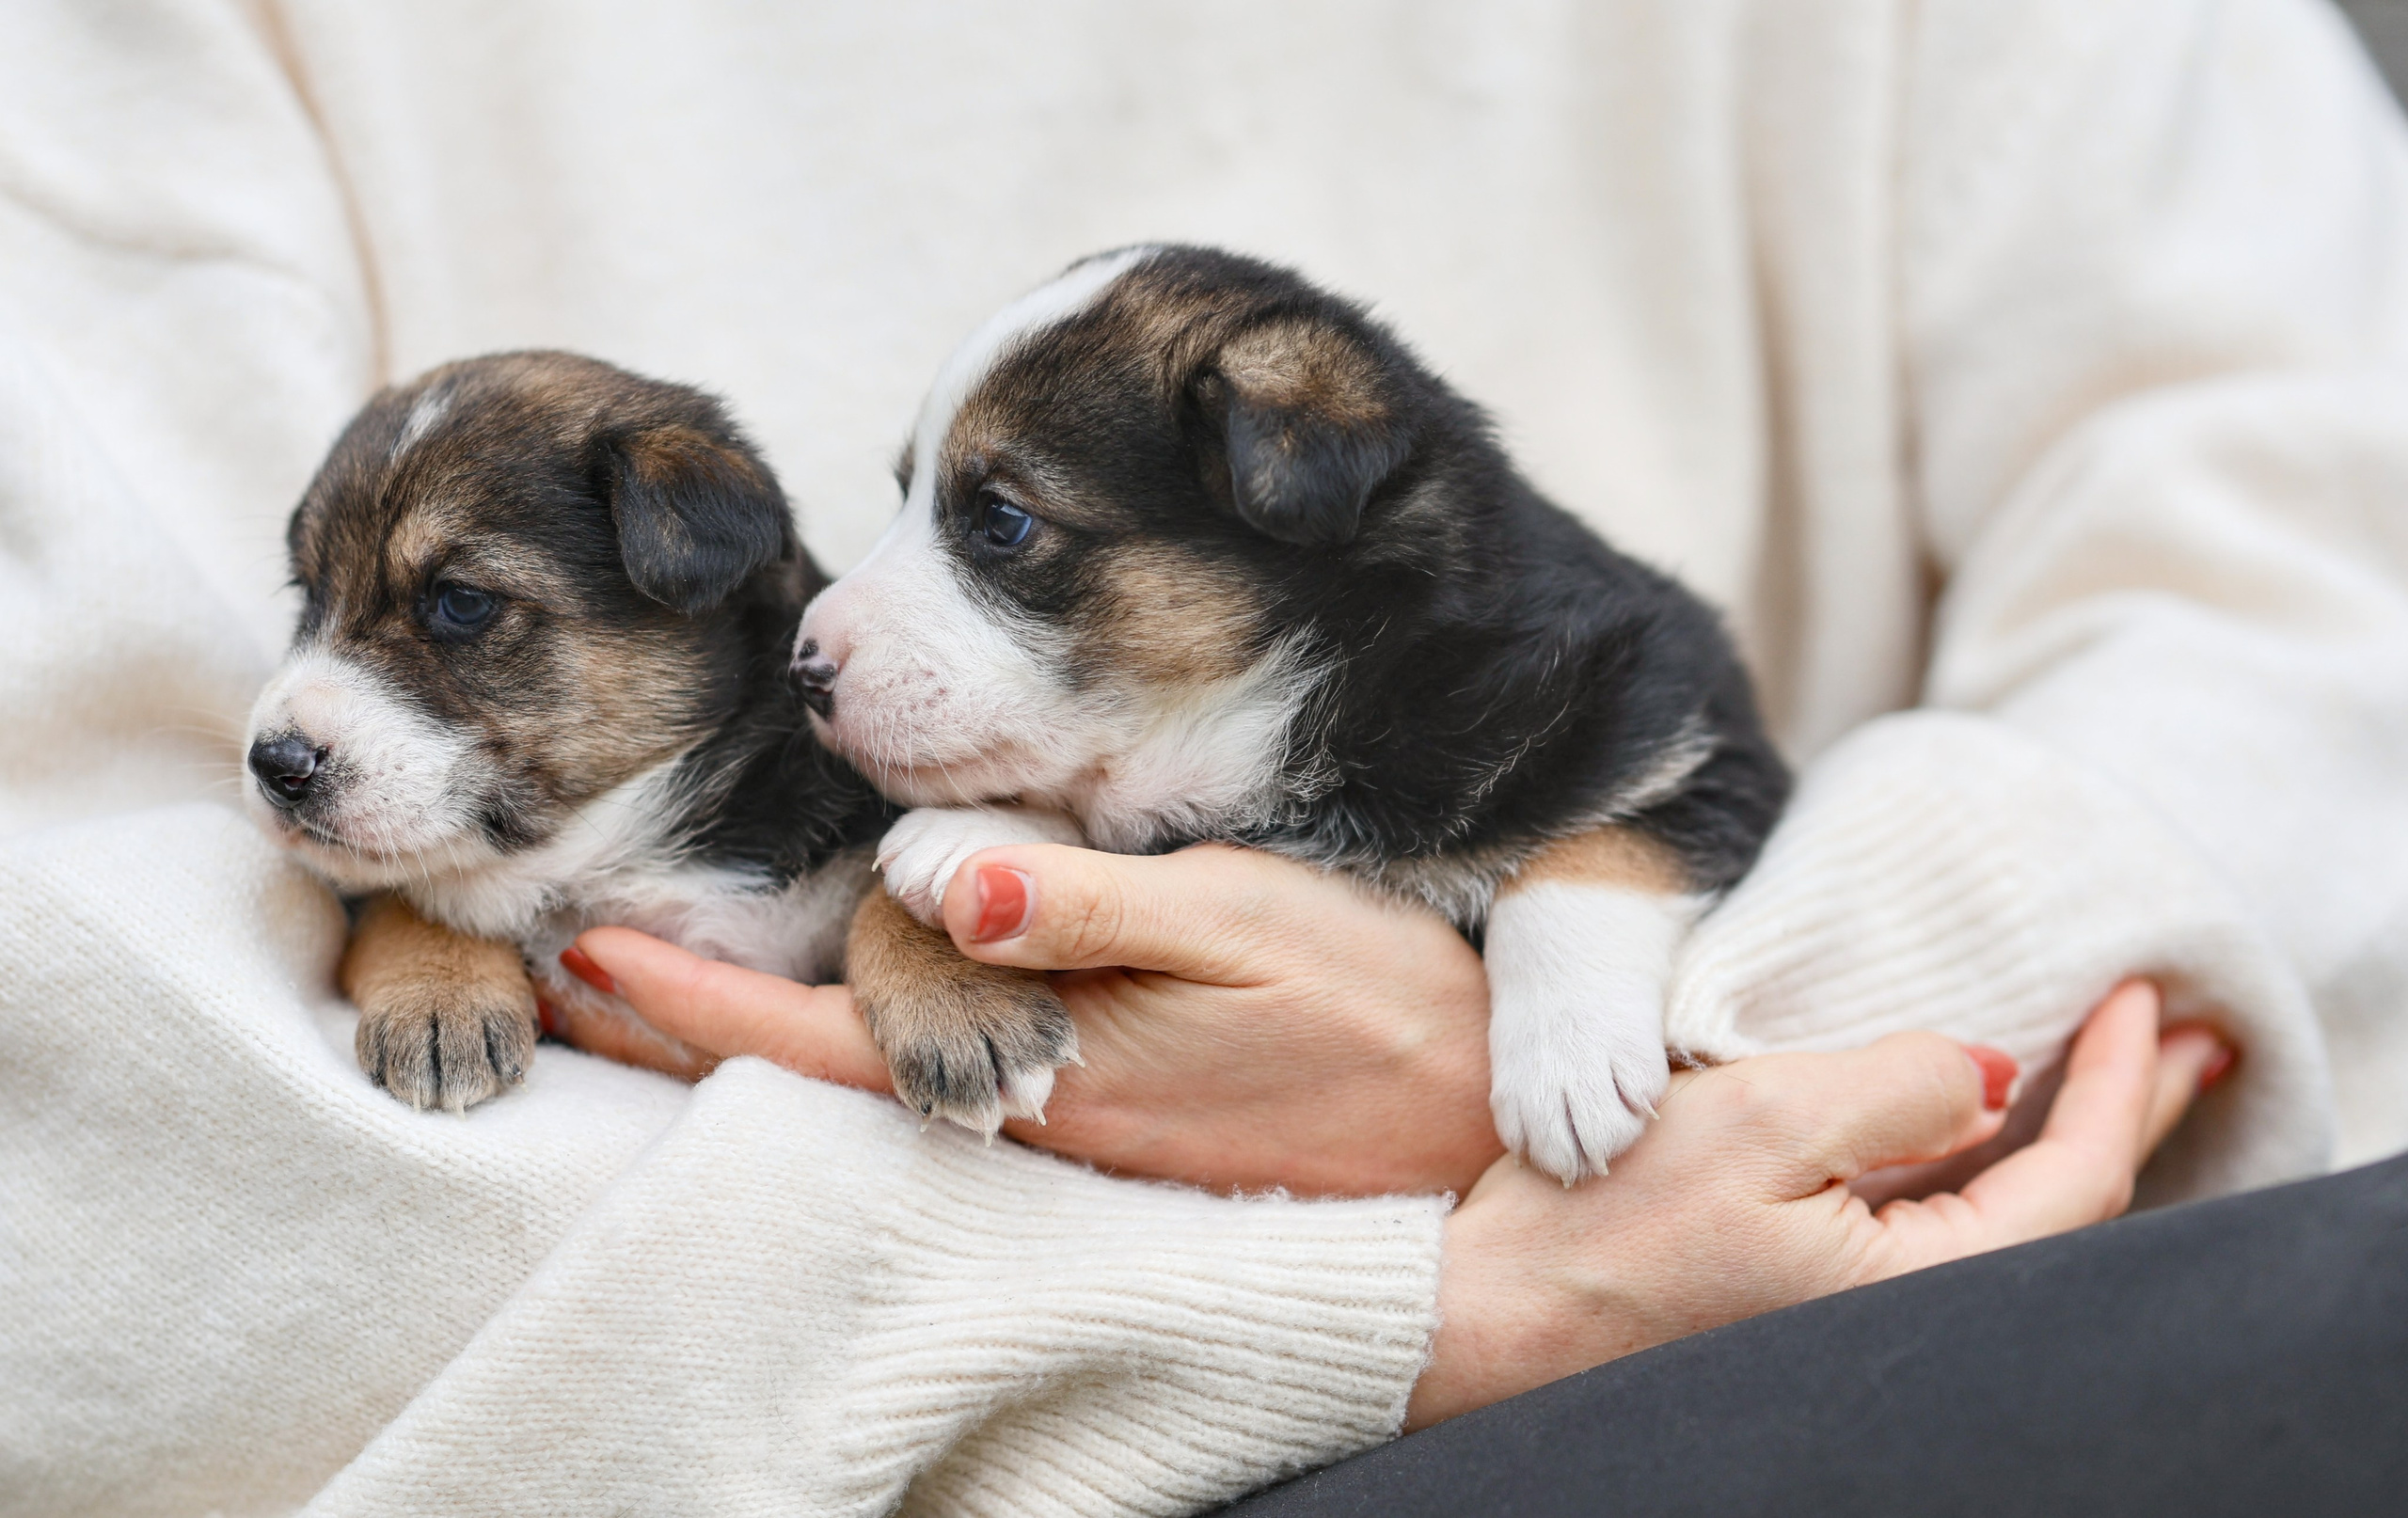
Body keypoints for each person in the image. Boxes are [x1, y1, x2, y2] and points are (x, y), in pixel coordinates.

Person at [3, 2, 2404, 1515]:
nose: (840, 633)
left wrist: (1664, 1071)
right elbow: (90, 1091)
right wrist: (1383, 1306)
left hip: (1815, 1264)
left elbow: (2314, 590)